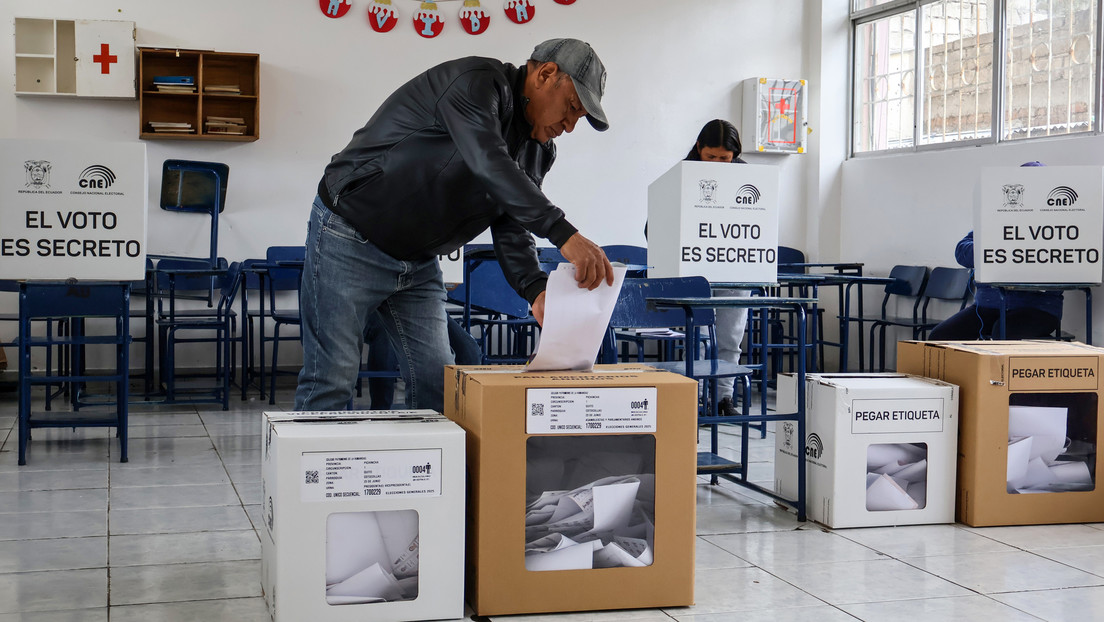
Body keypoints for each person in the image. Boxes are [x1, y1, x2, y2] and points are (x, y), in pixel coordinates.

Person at [296, 38, 615, 413]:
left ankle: (425, 472)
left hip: (416, 263)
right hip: (349, 236)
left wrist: (535, 289)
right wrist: (564, 234)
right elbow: (488, 162)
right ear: (545, 74)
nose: (571, 125)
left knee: (440, 384)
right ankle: (322, 473)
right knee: (331, 382)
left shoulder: (538, 149)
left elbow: (511, 222)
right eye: (573, 107)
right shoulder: (476, 84)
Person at [928, 161, 1064, 341]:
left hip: (1038, 309)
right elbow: (961, 251)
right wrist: (992, 249)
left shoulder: (1058, 223)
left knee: (1002, 332)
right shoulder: (996, 216)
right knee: (940, 336)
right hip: (988, 306)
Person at [685, 120, 749, 417]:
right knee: (696, 338)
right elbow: (653, 227)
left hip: (735, 270)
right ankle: (694, 398)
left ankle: (724, 399)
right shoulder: (681, 176)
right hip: (696, 272)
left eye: (725, 159)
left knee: (731, 338)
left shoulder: (750, 179)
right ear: (699, 149)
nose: (719, 164)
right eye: (711, 157)